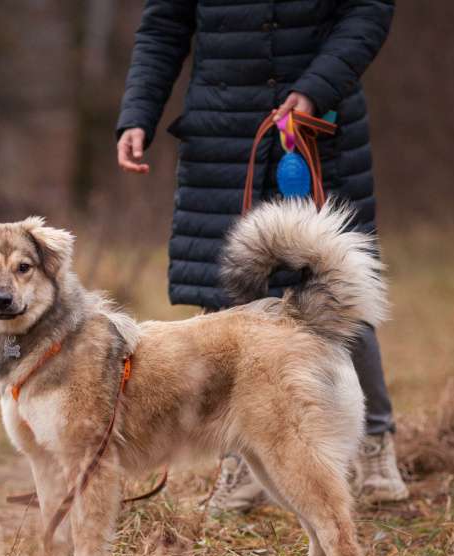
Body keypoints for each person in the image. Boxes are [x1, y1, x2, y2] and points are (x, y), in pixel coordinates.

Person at [115, 0, 408, 513]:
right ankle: (240, 460)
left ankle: (374, 446)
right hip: (220, 139)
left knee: (333, 290)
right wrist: (137, 115)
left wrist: (315, 88)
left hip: (317, 131)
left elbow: (367, 11)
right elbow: (164, 24)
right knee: (222, 303)